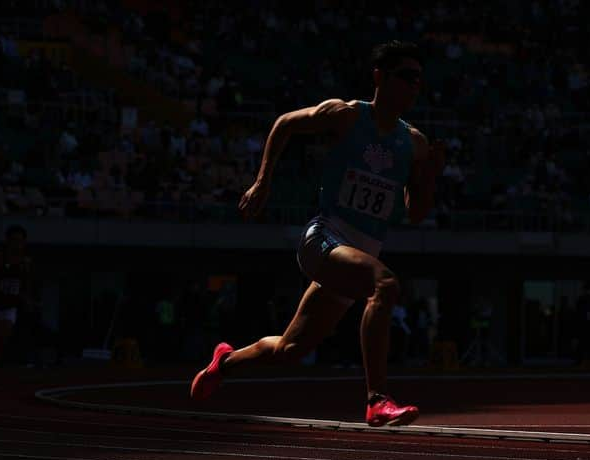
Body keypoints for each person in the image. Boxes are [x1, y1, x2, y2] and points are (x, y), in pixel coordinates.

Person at [190, 41, 446, 427]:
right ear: (379, 77)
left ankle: (224, 362)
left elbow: (415, 213)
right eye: (406, 77)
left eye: (419, 80)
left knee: (290, 349)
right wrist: (262, 183)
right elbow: (285, 123)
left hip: (357, 255)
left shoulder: (415, 144)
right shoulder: (345, 115)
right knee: (386, 284)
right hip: (324, 238)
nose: (414, 86)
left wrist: (429, 177)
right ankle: (376, 399)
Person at [0, 224, 34, 385]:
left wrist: (27, 299)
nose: (17, 244)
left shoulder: (26, 263)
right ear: (8, 241)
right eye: (14, 240)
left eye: (21, 241)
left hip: (9, 308)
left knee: (0, 339)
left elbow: (26, 285)